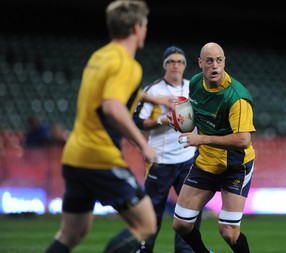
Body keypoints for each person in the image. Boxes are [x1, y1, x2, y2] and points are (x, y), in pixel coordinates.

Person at [44, 1, 175, 252]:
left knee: (72, 232)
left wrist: (152, 98)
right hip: (99, 157)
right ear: (137, 27)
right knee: (146, 225)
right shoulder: (128, 65)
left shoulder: (100, 56)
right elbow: (112, 106)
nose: (146, 30)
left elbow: (114, 92)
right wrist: (143, 145)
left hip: (74, 156)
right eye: (145, 25)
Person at [170, 42, 256, 253]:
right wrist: (179, 122)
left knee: (228, 231)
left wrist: (202, 139)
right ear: (200, 63)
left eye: (219, 60)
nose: (215, 66)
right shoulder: (197, 83)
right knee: (181, 224)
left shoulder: (237, 97)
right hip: (206, 162)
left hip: (235, 165)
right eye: (209, 61)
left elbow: (243, 140)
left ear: (224, 62)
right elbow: (195, 117)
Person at [133, 46, 201, 253]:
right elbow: (137, 120)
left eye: (180, 62)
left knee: (189, 211)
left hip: (188, 159)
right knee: (152, 212)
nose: (176, 65)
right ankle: (145, 249)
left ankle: (185, 251)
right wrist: (162, 119)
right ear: (165, 65)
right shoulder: (153, 90)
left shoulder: (194, 87)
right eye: (171, 61)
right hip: (160, 161)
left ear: (185, 66)